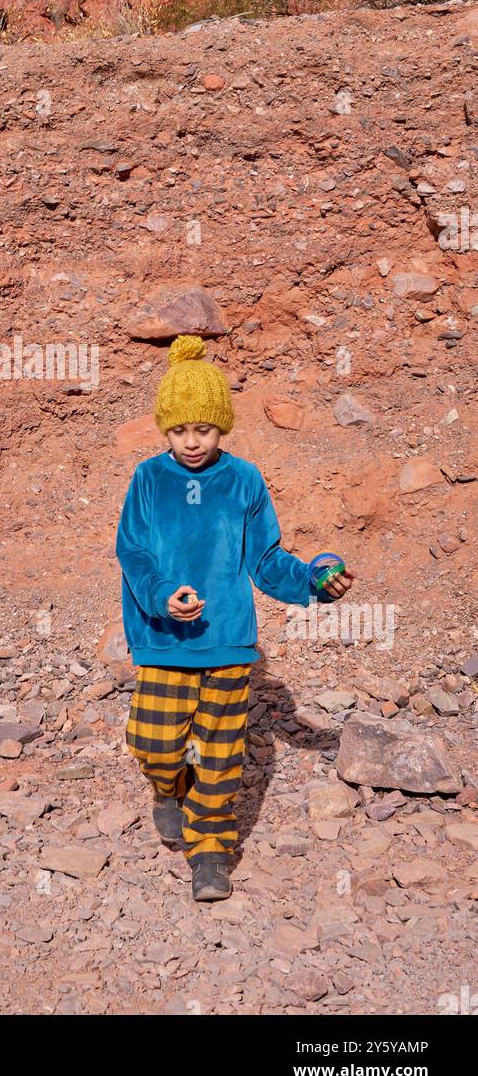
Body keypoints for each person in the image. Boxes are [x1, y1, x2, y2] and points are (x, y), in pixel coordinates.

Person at [115, 334, 353, 901]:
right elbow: (133, 552)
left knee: (220, 758)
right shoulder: (148, 479)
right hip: (163, 638)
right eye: (178, 430)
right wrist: (163, 594)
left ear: (223, 426)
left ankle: (211, 856)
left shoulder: (244, 479)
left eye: (203, 429)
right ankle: (167, 789)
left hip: (227, 642)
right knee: (155, 743)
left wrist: (315, 579)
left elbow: (266, 559)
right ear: (164, 430)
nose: (191, 442)